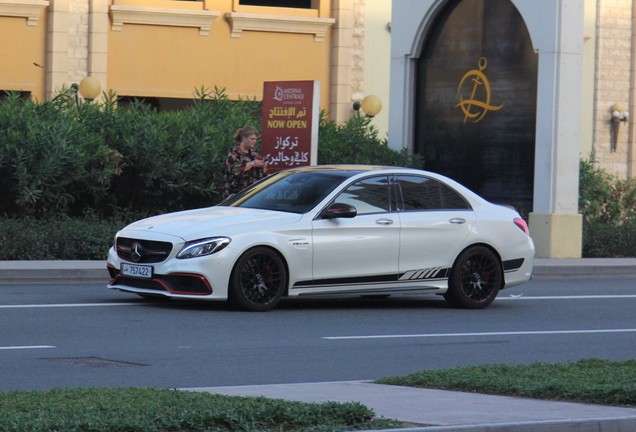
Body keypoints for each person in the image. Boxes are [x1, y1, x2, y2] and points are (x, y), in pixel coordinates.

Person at [222, 126, 268, 199]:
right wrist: (252, 164)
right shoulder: (234, 153)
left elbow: (262, 174)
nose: (254, 141)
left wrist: (263, 167)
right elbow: (234, 170)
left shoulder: (254, 154)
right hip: (236, 194)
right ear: (244, 138)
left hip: (253, 194)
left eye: (255, 139)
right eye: (252, 139)